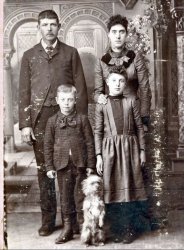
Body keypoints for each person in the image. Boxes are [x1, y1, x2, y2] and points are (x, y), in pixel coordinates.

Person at [19, 10, 88, 237]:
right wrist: (25, 124)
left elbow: (81, 88)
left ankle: (74, 221)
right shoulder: (29, 55)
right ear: (39, 27)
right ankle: (48, 220)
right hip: (40, 121)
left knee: (73, 170)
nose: (49, 29)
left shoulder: (70, 53)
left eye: (53, 25)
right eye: (45, 25)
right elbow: (24, 92)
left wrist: (82, 120)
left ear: (59, 27)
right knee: (45, 171)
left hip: (66, 118)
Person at [95, 67, 150, 244]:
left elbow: (140, 127)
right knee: (112, 190)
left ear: (125, 83)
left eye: (120, 81)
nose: (117, 84)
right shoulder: (101, 104)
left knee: (129, 189)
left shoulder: (131, 101)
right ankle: (117, 228)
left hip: (129, 150)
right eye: (113, 81)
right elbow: (97, 131)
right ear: (107, 83)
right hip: (109, 150)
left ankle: (128, 229)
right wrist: (98, 156)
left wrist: (142, 151)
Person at [44, 84, 95, 244]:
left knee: (80, 196)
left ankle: (82, 227)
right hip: (61, 165)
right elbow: (47, 145)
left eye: (70, 100)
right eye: (63, 100)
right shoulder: (52, 122)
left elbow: (90, 143)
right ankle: (68, 228)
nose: (66, 103)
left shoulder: (82, 119)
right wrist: (50, 167)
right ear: (57, 100)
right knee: (65, 197)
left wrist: (90, 165)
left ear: (75, 100)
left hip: (80, 164)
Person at [94, 14, 152, 130]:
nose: (118, 36)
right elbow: (97, 92)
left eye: (121, 32)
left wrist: (144, 117)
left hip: (133, 112)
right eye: (114, 32)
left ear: (126, 34)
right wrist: (98, 97)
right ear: (109, 34)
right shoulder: (102, 60)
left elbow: (145, 89)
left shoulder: (135, 58)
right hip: (111, 113)